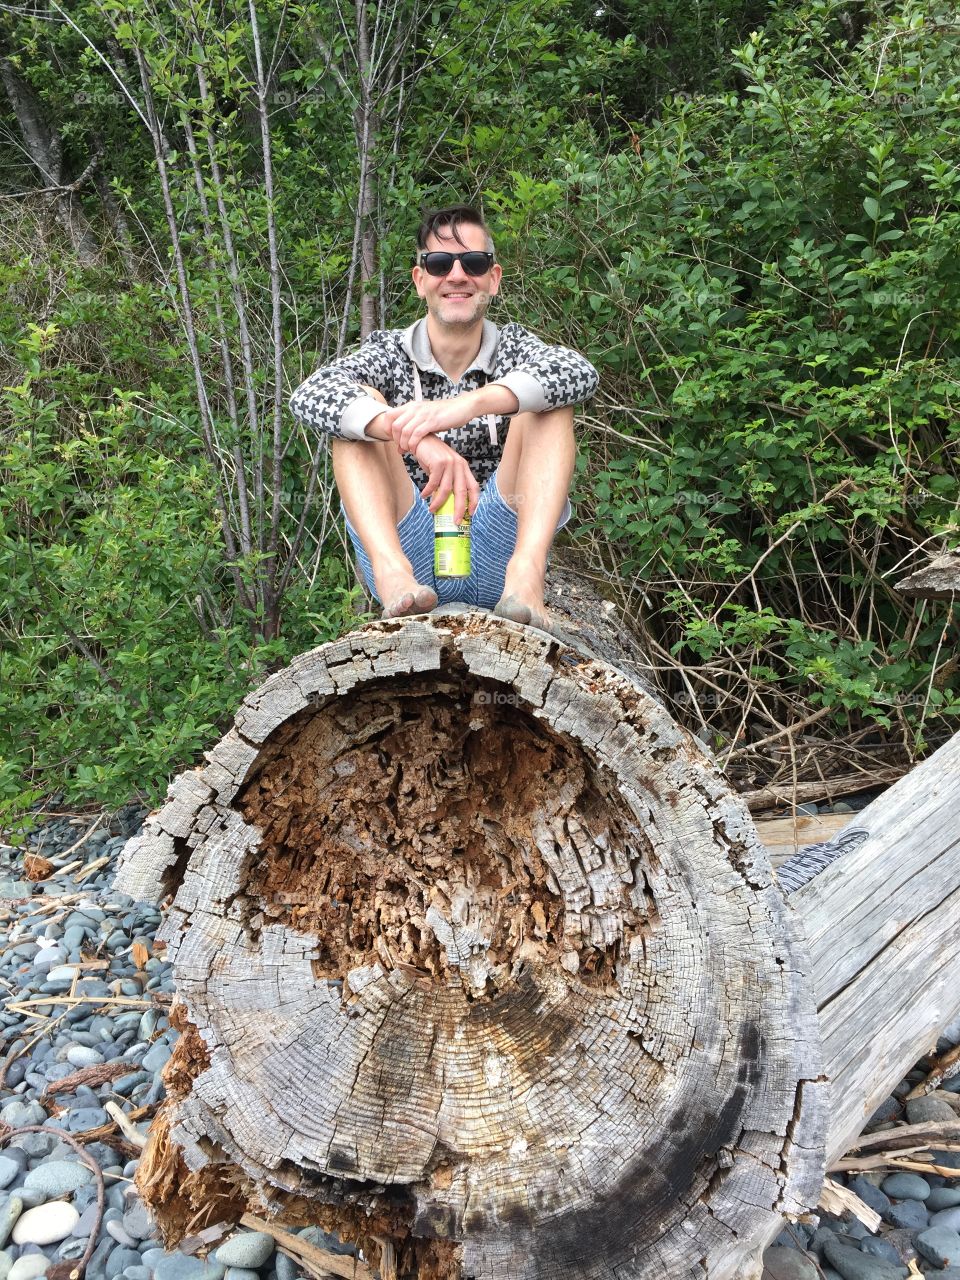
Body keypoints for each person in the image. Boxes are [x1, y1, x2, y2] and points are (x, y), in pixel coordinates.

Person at [288, 204, 599, 631]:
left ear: (493, 278)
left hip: (496, 544)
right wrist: (417, 438)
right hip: (409, 545)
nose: (456, 276)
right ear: (420, 280)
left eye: (473, 262)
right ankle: (390, 574)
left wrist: (468, 404)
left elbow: (579, 373)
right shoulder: (390, 352)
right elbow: (311, 394)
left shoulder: (513, 348)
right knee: (356, 412)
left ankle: (528, 577)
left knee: (549, 401)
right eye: (439, 263)